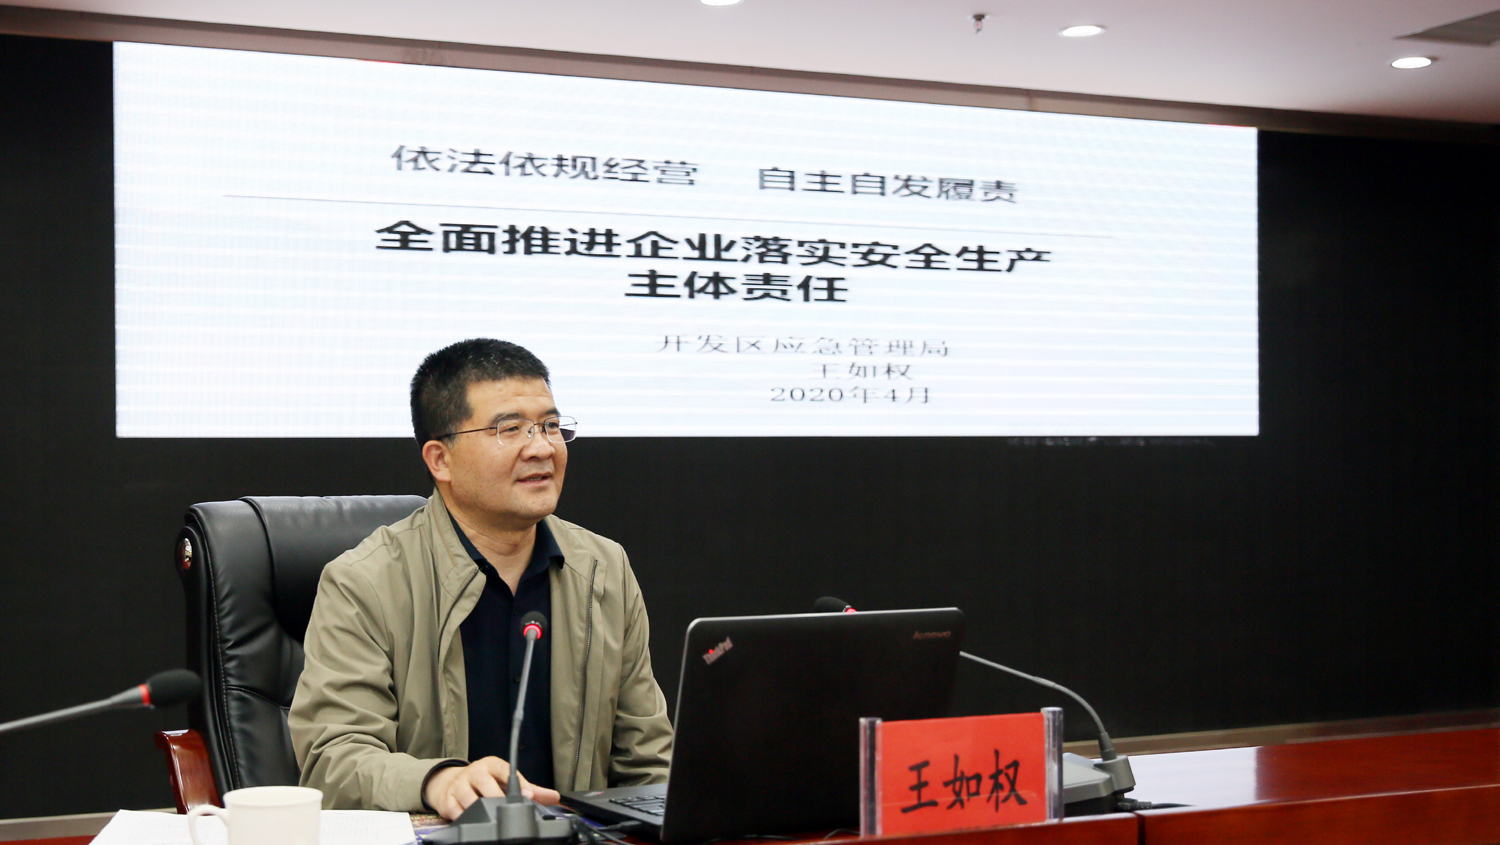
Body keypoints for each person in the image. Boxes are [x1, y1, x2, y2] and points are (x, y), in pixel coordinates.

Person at [289, 338, 672, 819]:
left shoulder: (602, 568)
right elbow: (334, 761)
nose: (542, 448)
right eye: (510, 429)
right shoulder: (364, 582)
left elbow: (648, 762)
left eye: (551, 426)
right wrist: (438, 781)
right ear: (440, 459)